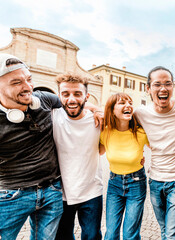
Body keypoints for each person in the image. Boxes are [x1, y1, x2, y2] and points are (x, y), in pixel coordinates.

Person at [0, 53, 63, 239]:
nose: (28, 87)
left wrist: (98, 111)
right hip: (10, 197)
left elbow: (73, 106)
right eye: (16, 82)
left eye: (29, 79)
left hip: (52, 192)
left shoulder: (43, 99)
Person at [134, 66, 175, 240]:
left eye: (167, 84)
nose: (163, 88)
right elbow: (116, 118)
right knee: (164, 229)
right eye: (157, 84)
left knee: (172, 234)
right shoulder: (140, 113)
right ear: (148, 89)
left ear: (173, 87)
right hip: (154, 179)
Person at [53, 73, 103, 240]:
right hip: (61, 192)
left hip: (91, 191)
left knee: (92, 236)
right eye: (66, 94)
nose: (71, 99)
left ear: (86, 96)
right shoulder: (53, 116)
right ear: (58, 95)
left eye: (77, 94)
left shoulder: (98, 122)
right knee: (63, 236)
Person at [100, 93, 149, 240]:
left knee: (130, 235)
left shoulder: (141, 132)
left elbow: (162, 149)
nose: (128, 105)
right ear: (112, 109)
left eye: (130, 102)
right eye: (122, 103)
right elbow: (94, 152)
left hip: (136, 183)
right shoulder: (105, 132)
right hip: (114, 184)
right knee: (110, 234)